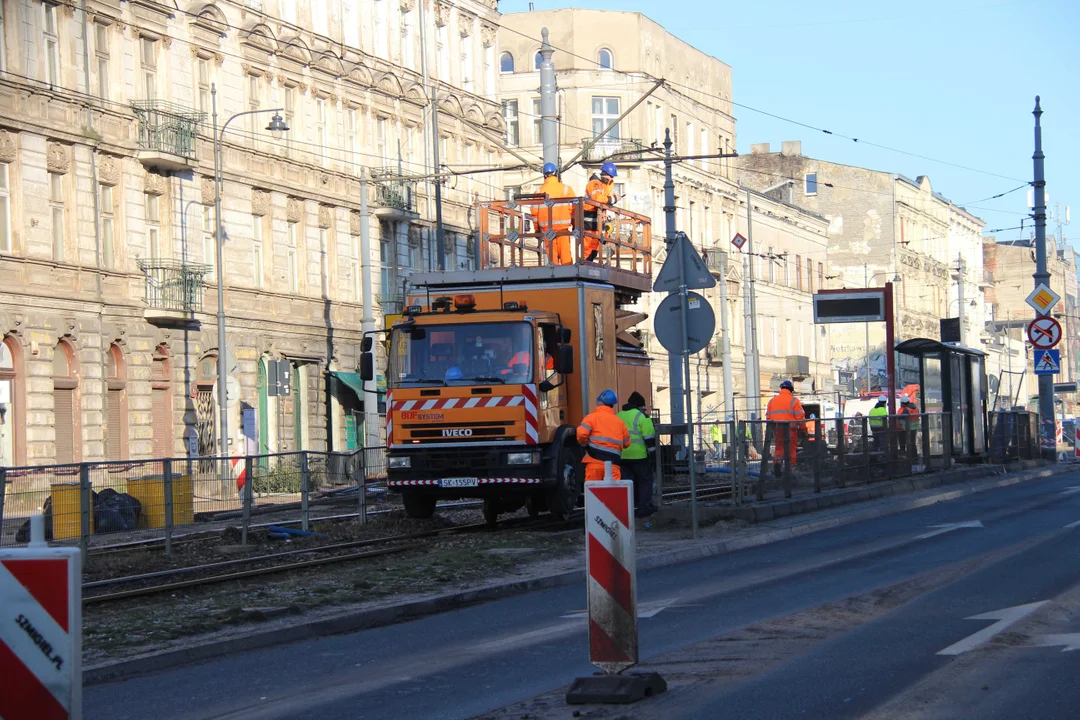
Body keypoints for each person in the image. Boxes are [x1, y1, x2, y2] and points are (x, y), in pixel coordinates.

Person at [617, 391, 657, 517]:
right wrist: (653, 457)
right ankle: (643, 507)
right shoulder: (642, 417)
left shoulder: (618, 416)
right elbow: (649, 440)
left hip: (621, 456)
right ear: (640, 406)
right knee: (645, 481)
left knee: (627, 482)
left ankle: (627, 508)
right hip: (639, 456)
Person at [577, 389, 630, 481]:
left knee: (593, 493)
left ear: (600, 401)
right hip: (613, 465)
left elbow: (581, 434)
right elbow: (627, 443)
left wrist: (584, 444)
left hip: (594, 463)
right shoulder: (619, 422)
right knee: (612, 494)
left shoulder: (591, 418)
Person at [532, 163, 576, 265]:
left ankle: (554, 275)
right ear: (556, 174)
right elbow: (574, 209)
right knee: (566, 258)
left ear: (544, 175)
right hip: (563, 230)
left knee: (553, 261)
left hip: (547, 230)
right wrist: (575, 226)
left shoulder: (539, 191)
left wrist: (537, 229)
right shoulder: (566, 189)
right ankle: (568, 275)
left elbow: (535, 213)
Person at [765, 380, 805, 476]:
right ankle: (791, 470)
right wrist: (804, 430)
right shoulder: (794, 401)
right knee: (791, 450)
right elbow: (800, 417)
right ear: (791, 390)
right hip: (790, 430)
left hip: (777, 429)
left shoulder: (772, 401)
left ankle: (777, 465)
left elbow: (768, 417)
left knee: (779, 449)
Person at [584, 162, 619, 262]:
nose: (611, 179)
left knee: (594, 250)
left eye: (612, 177)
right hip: (589, 222)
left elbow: (604, 200)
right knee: (588, 251)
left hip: (596, 222)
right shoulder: (594, 184)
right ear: (603, 174)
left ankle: (586, 265)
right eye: (610, 176)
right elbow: (598, 198)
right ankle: (583, 266)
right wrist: (613, 199)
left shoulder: (603, 187)